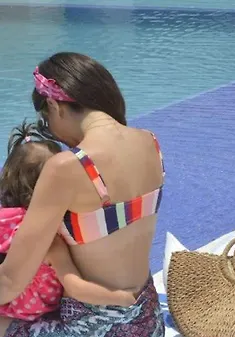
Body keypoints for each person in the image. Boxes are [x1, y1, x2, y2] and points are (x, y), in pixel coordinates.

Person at [0, 52, 165, 337]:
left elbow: (9, 283)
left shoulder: (68, 167)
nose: (54, 134)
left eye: (47, 120)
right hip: (147, 327)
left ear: (55, 106)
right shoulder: (149, 142)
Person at [0, 122, 137, 322]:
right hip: (29, 310)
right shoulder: (51, 238)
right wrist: (120, 297)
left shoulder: (7, 220)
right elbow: (76, 287)